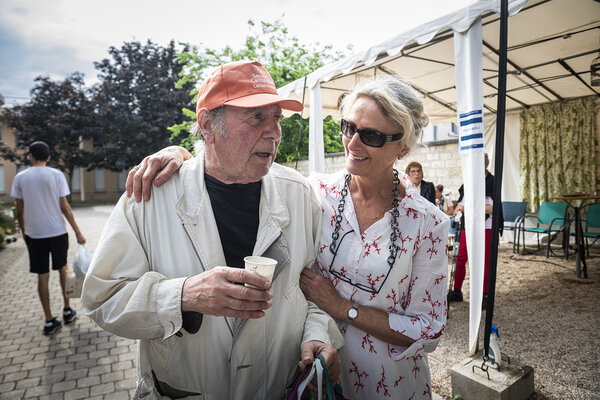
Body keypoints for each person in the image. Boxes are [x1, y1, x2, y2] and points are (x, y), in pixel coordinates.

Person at [133, 75, 450, 399]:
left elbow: (429, 329)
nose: (352, 143)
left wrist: (343, 308)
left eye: (371, 136)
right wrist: (186, 157)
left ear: (404, 145)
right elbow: (237, 164)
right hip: (312, 377)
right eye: (348, 127)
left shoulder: (428, 224)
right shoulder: (314, 192)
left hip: (388, 385)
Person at [81, 60, 342, 399]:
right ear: (207, 124)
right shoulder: (149, 197)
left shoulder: (299, 195)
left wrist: (317, 333)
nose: (275, 132)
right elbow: (103, 299)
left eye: (276, 117)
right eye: (256, 117)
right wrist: (184, 295)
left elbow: (313, 291)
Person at [10, 141, 86, 335]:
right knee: (63, 269)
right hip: (57, 231)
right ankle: (68, 310)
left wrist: (25, 233)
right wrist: (77, 232)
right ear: (49, 157)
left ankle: (49, 320)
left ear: (30, 156)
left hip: (34, 234)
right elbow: (65, 207)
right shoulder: (56, 175)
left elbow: (20, 211)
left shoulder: (20, 177)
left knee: (42, 276)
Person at [447, 153, 501, 309]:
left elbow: (492, 208)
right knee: (460, 257)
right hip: (468, 226)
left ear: (486, 164)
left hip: (487, 226)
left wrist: (471, 208)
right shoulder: (468, 182)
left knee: (485, 261)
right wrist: (464, 208)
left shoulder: (492, 181)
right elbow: (460, 206)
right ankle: (457, 291)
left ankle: (485, 294)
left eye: (481, 163)